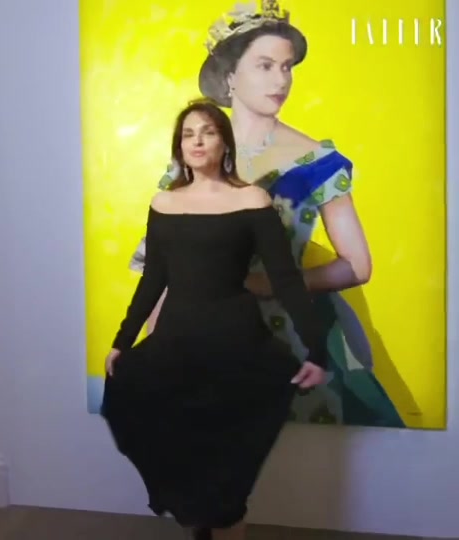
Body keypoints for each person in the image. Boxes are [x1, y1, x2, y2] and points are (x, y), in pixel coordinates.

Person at [130, 0, 407, 428]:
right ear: (229, 76)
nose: (281, 80)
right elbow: (163, 266)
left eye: (287, 67)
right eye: (265, 66)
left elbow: (357, 265)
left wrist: (263, 284)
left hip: (284, 336)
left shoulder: (317, 162)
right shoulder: (195, 153)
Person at [101, 100, 327, 540]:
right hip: (176, 345)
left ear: (224, 142)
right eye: (188, 134)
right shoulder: (164, 202)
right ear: (179, 147)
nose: (197, 141)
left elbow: (285, 279)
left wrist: (316, 349)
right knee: (186, 452)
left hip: (236, 345)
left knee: (227, 471)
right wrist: (122, 341)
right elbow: (153, 279)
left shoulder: (251, 199)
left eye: (207, 132)